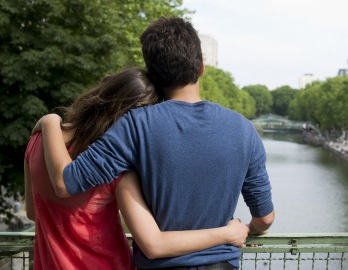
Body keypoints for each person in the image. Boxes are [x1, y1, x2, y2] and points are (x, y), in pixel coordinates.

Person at [37, 17, 275, 270]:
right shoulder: (244, 130)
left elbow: (65, 183)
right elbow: (265, 218)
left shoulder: (135, 126)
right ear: (202, 67)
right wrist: (242, 230)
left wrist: (50, 121)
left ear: (153, 74)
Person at [25, 67, 248, 270]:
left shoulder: (37, 143)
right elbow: (153, 244)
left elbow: (32, 212)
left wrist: (49, 121)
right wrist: (228, 233)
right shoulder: (118, 170)